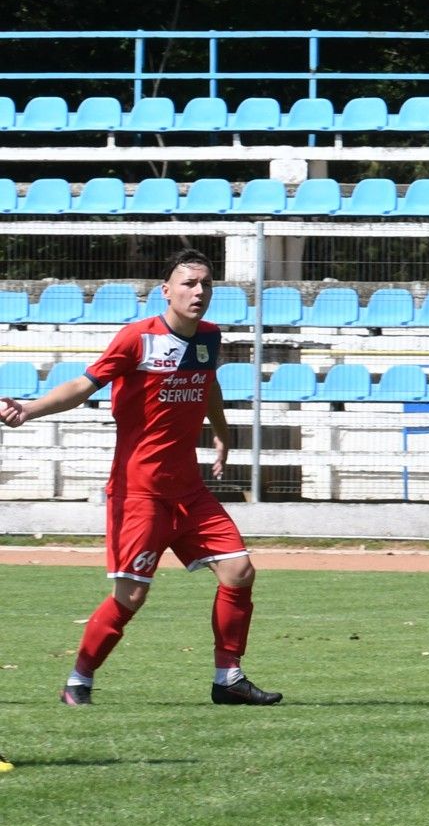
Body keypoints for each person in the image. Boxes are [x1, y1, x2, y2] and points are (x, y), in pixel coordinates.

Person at [0, 249, 281, 707]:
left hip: (188, 488)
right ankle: (78, 680)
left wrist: (222, 433)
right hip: (139, 491)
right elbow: (83, 385)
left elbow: (208, 383)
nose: (199, 292)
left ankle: (228, 678)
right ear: (165, 291)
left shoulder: (209, 337)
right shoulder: (137, 338)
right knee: (130, 595)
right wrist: (30, 408)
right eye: (189, 283)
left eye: (206, 283)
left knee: (238, 569)